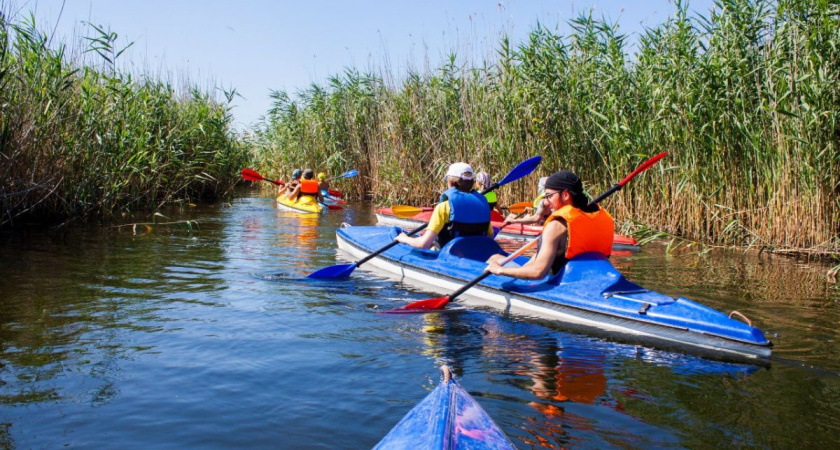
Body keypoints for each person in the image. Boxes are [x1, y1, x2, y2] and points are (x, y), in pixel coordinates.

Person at [486, 170, 614, 278]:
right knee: (495, 257)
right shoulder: (598, 216)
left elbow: (538, 272)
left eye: (549, 196)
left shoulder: (556, 225)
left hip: (563, 282)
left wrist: (500, 270)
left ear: (565, 195)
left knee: (494, 259)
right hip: (594, 277)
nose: (546, 202)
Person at [396, 163, 493, 250]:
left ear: (450, 183)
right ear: (472, 184)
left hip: (449, 257)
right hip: (476, 255)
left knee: (432, 244)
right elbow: (489, 239)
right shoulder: (483, 206)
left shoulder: (444, 207)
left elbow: (423, 244)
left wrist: (404, 238)